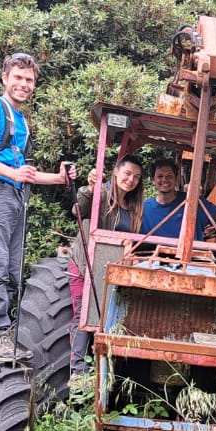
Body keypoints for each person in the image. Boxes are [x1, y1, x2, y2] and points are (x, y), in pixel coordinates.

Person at [0, 52, 73, 363]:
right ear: (5, 79)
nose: (23, 84)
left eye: (29, 80)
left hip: (13, 196)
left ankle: (4, 334)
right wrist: (12, 174)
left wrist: (59, 178)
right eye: (18, 78)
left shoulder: (20, 120)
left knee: (12, 270)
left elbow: (24, 172)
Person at [67, 155, 145, 375]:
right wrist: (91, 188)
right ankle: (78, 371)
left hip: (113, 269)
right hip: (86, 264)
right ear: (116, 172)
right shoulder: (101, 194)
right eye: (127, 173)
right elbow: (78, 210)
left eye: (136, 177)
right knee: (83, 314)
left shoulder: (134, 207)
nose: (131, 180)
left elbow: (132, 240)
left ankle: (106, 371)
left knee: (109, 317)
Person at [141, 158, 216, 239]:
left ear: (176, 179)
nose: (164, 180)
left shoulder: (193, 201)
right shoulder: (144, 208)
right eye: (160, 176)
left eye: (169, 176)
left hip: (190, 254)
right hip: (153, 254)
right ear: (153, 180)